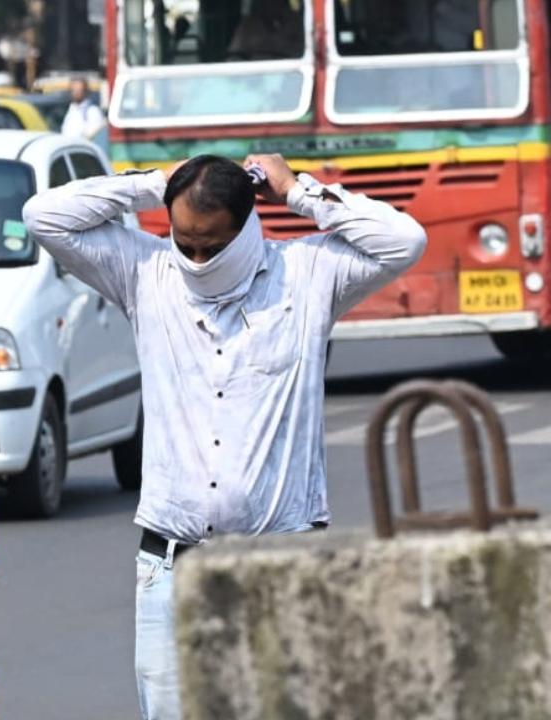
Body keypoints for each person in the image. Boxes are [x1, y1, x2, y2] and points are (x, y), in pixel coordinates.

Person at [23, 154, 426, 719]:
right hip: (172, 567)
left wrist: (297, 191)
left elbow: (402, 240)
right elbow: (45, 217)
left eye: (211, 246)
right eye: (185, 243)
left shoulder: (307, 276)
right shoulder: (145, 274)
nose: (196, 259)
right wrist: (157, 182)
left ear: (246, 229)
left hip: (282, 562)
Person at [60, 78, 107, 152]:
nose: (76, 93)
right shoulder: (72, 110)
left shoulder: (92, 111)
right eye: (73, 90)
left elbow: (93, 136)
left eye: (79, 90)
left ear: (86, 92)